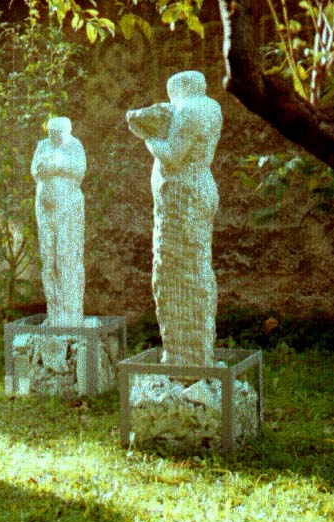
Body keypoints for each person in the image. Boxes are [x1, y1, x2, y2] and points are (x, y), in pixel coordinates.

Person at [127, 71, 223, 366]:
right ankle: (192, 351)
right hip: (195, 189)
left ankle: (186, 354)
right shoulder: (211, 107)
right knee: (190, 266)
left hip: (183, 195)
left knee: (177, 272)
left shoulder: (190, 110)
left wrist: (148, 136)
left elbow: (171, 154)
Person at [30, 116, 87, 327]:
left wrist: (58, 164)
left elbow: (79, 169)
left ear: (67, 131)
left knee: (66, 257)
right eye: (51, 133)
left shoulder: (74, 145)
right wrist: (44, 168)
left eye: (58, 134)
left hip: (67, 209)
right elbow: (35, 170)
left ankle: (70, 313)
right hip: (45, 210)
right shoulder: (43, 145)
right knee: (49, 259)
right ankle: (54, 312)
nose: (54, 137)